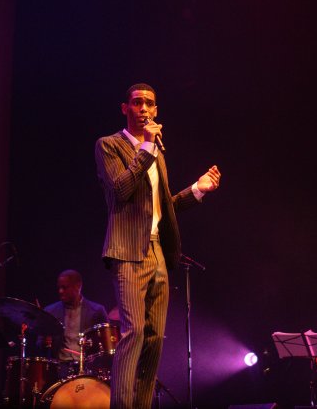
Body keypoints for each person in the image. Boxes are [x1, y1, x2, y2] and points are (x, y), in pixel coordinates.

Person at [94, 83, 221, 409]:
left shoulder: (157, 154)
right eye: (137, 103)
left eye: (149, 103)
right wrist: (147, 148)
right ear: (125, 108)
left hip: (158, 253)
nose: (144, 109)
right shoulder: (109, 145)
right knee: (134, 332)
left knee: (153, 339)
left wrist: (197, 189)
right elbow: (120, 190)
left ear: (156, 110)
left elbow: (163, 208)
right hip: (127, 251)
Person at [40, 269, 109, 366]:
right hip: (60, 366)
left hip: (87, 367)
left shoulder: (97, 311)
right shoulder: (50, 311)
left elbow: (107, 345)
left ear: (78, 286)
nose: (60, 291)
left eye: (64, 287)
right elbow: (39, 343)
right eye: (59, 288)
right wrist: (44, 342)